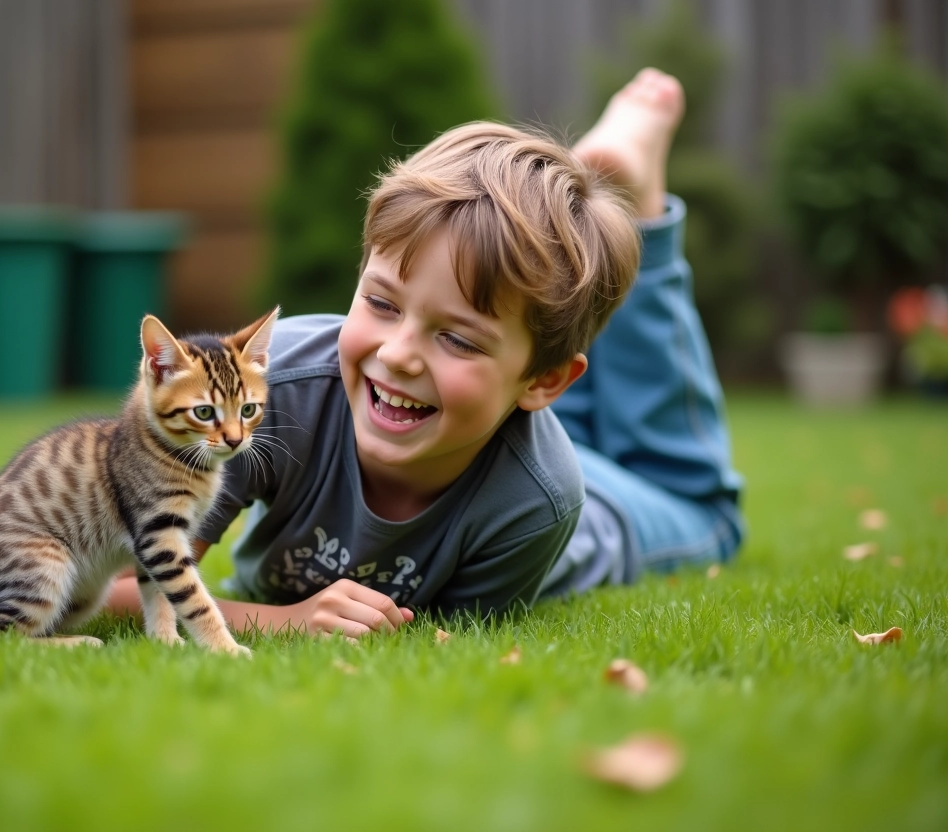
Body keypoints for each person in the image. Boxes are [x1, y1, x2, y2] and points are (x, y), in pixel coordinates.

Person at [107, 69, 744, 638]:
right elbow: (118, 584)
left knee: (701, 509)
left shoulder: (539, 499)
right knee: (519, 363)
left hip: (593, 492)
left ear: (546, 381)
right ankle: (593, 215)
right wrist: (285, 622)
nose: (399, 353)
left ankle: (644, 208)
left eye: (458, 337)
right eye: (382, 304)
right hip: (487, 411)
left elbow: (447, 637)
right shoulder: (263, 398)